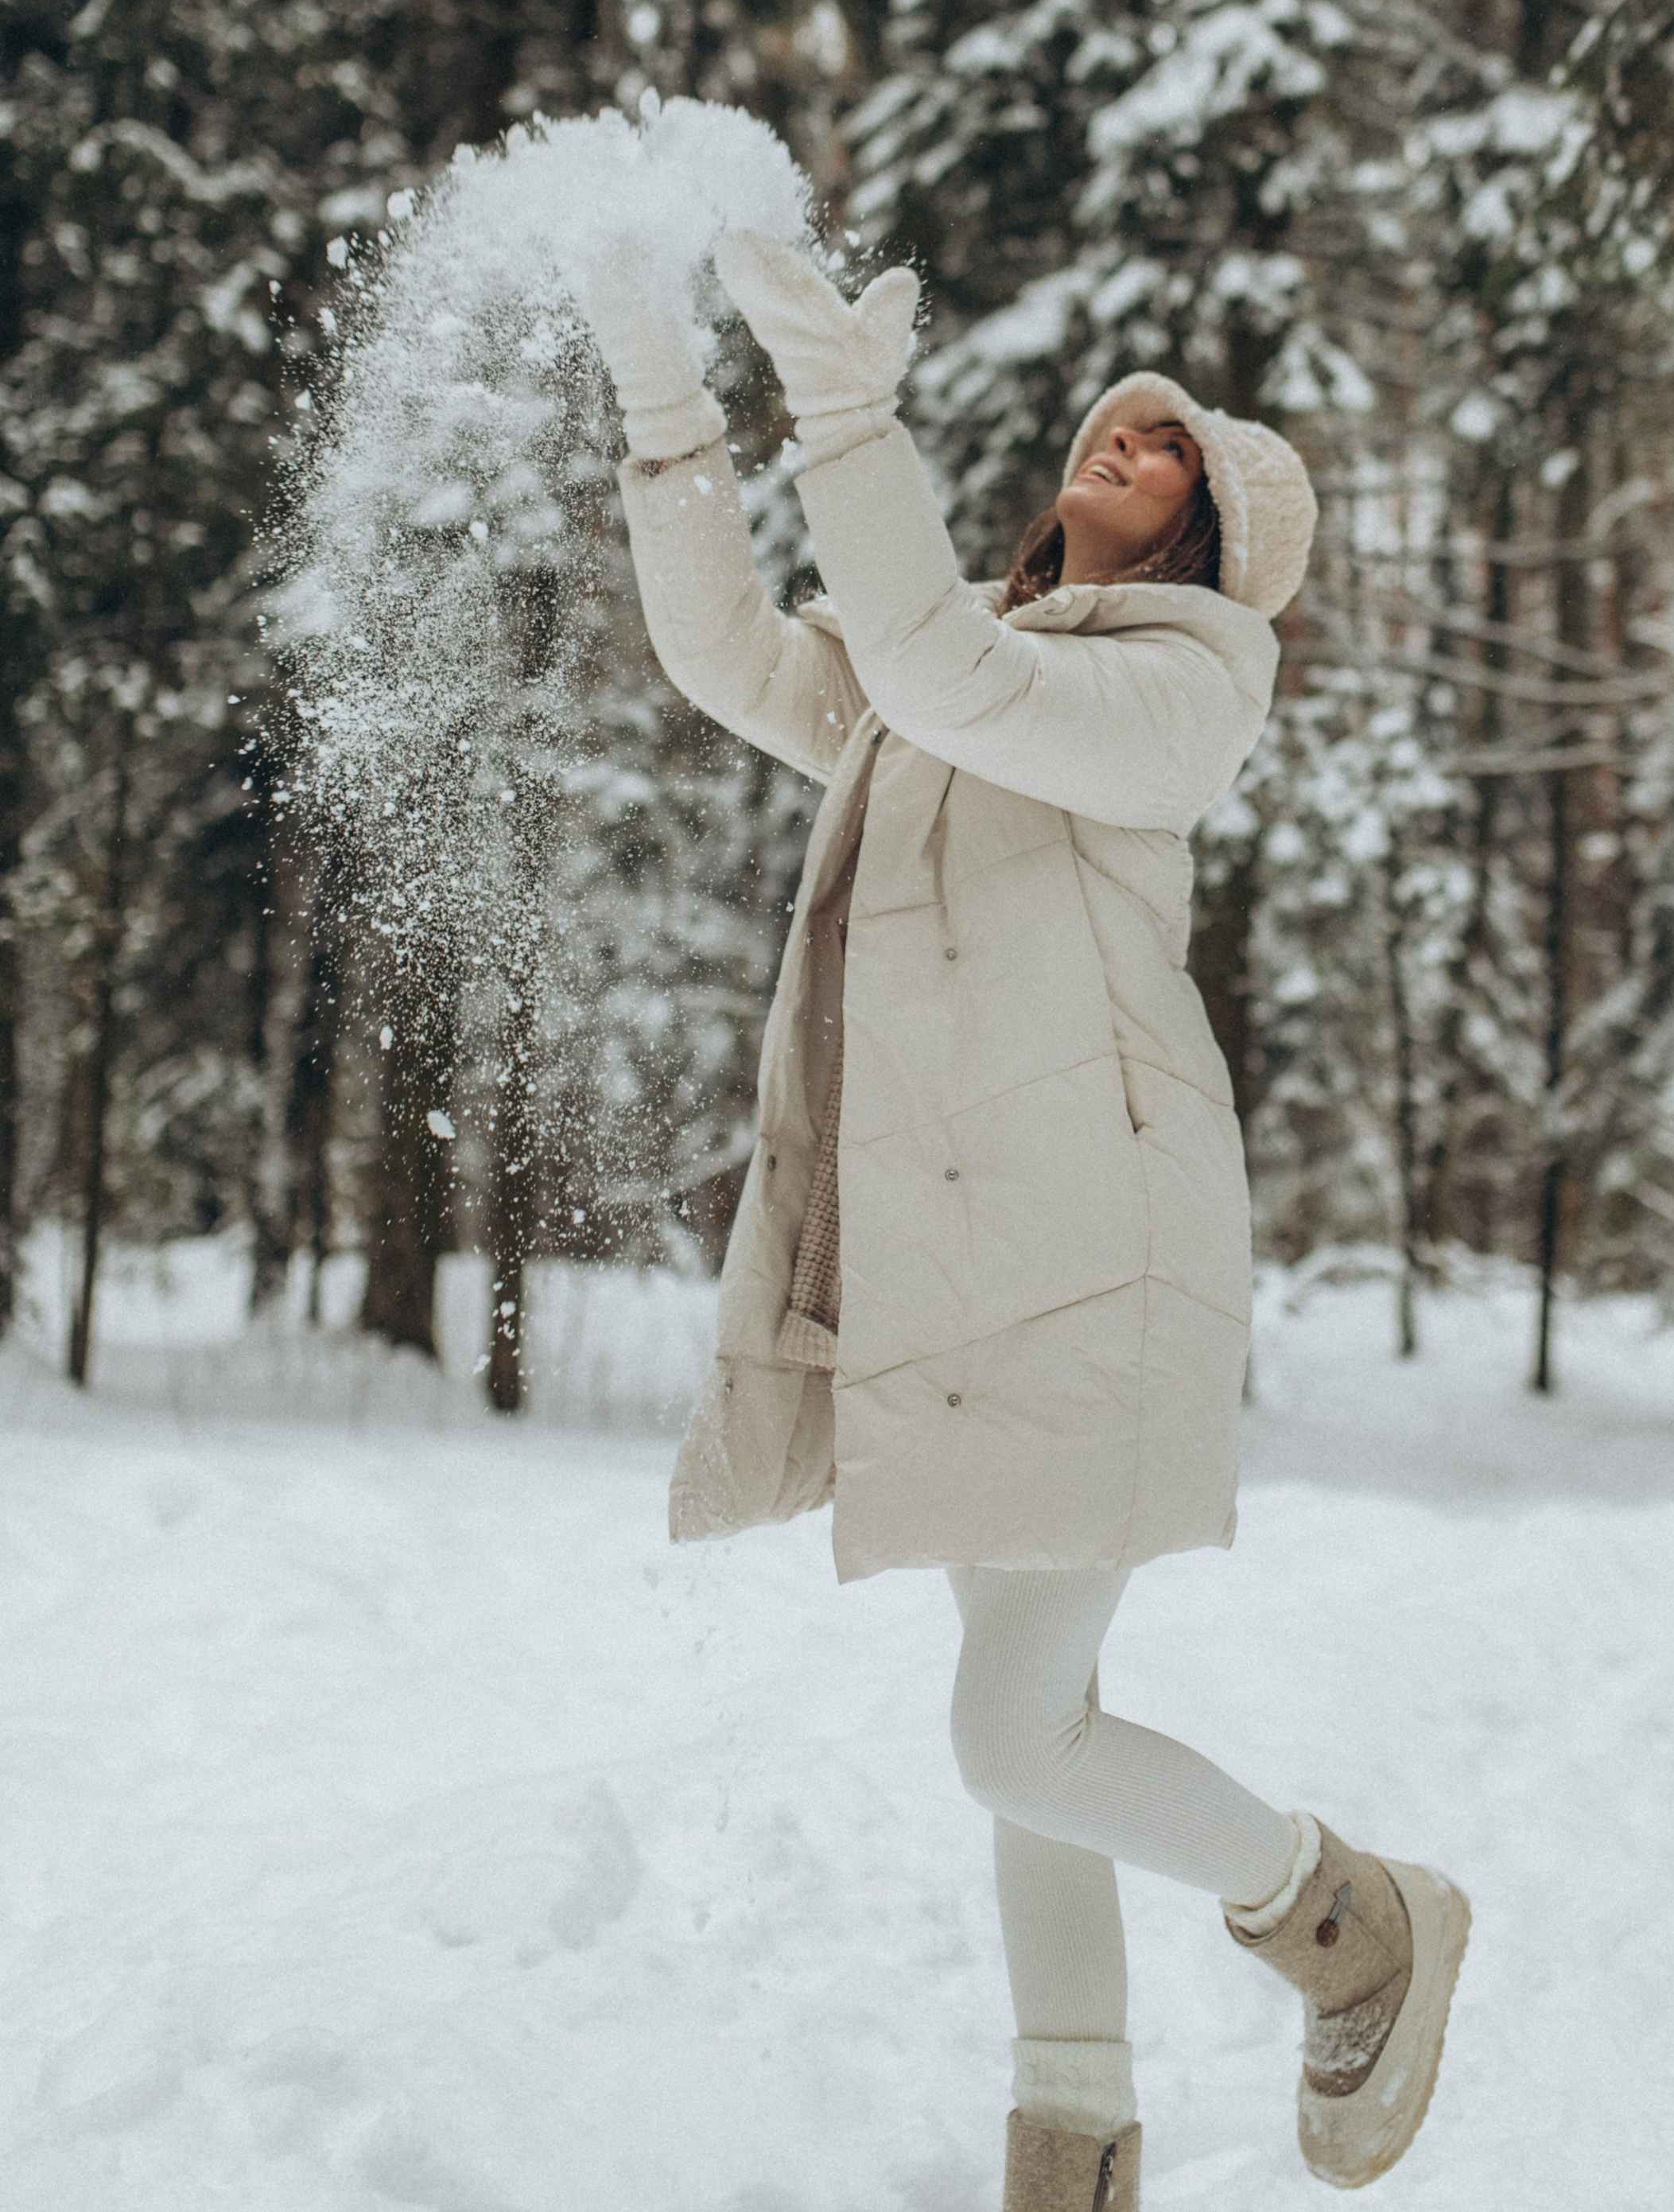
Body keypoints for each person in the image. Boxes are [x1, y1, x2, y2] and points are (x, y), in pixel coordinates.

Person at [580, 224, 1470, 2212]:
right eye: (1118, 425)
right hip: (969, 1261)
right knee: (1036, 1727)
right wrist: (665, 415)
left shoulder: (1178, 690)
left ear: (1209, 540)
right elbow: (740, 659)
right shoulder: (963, 679)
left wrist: (845, 413)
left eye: (1169, 451)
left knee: (1008, 1741)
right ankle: (1071, 2149)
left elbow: (930, 663)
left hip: (1100, 1256)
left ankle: (1352, 1921)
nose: (1121, 441)